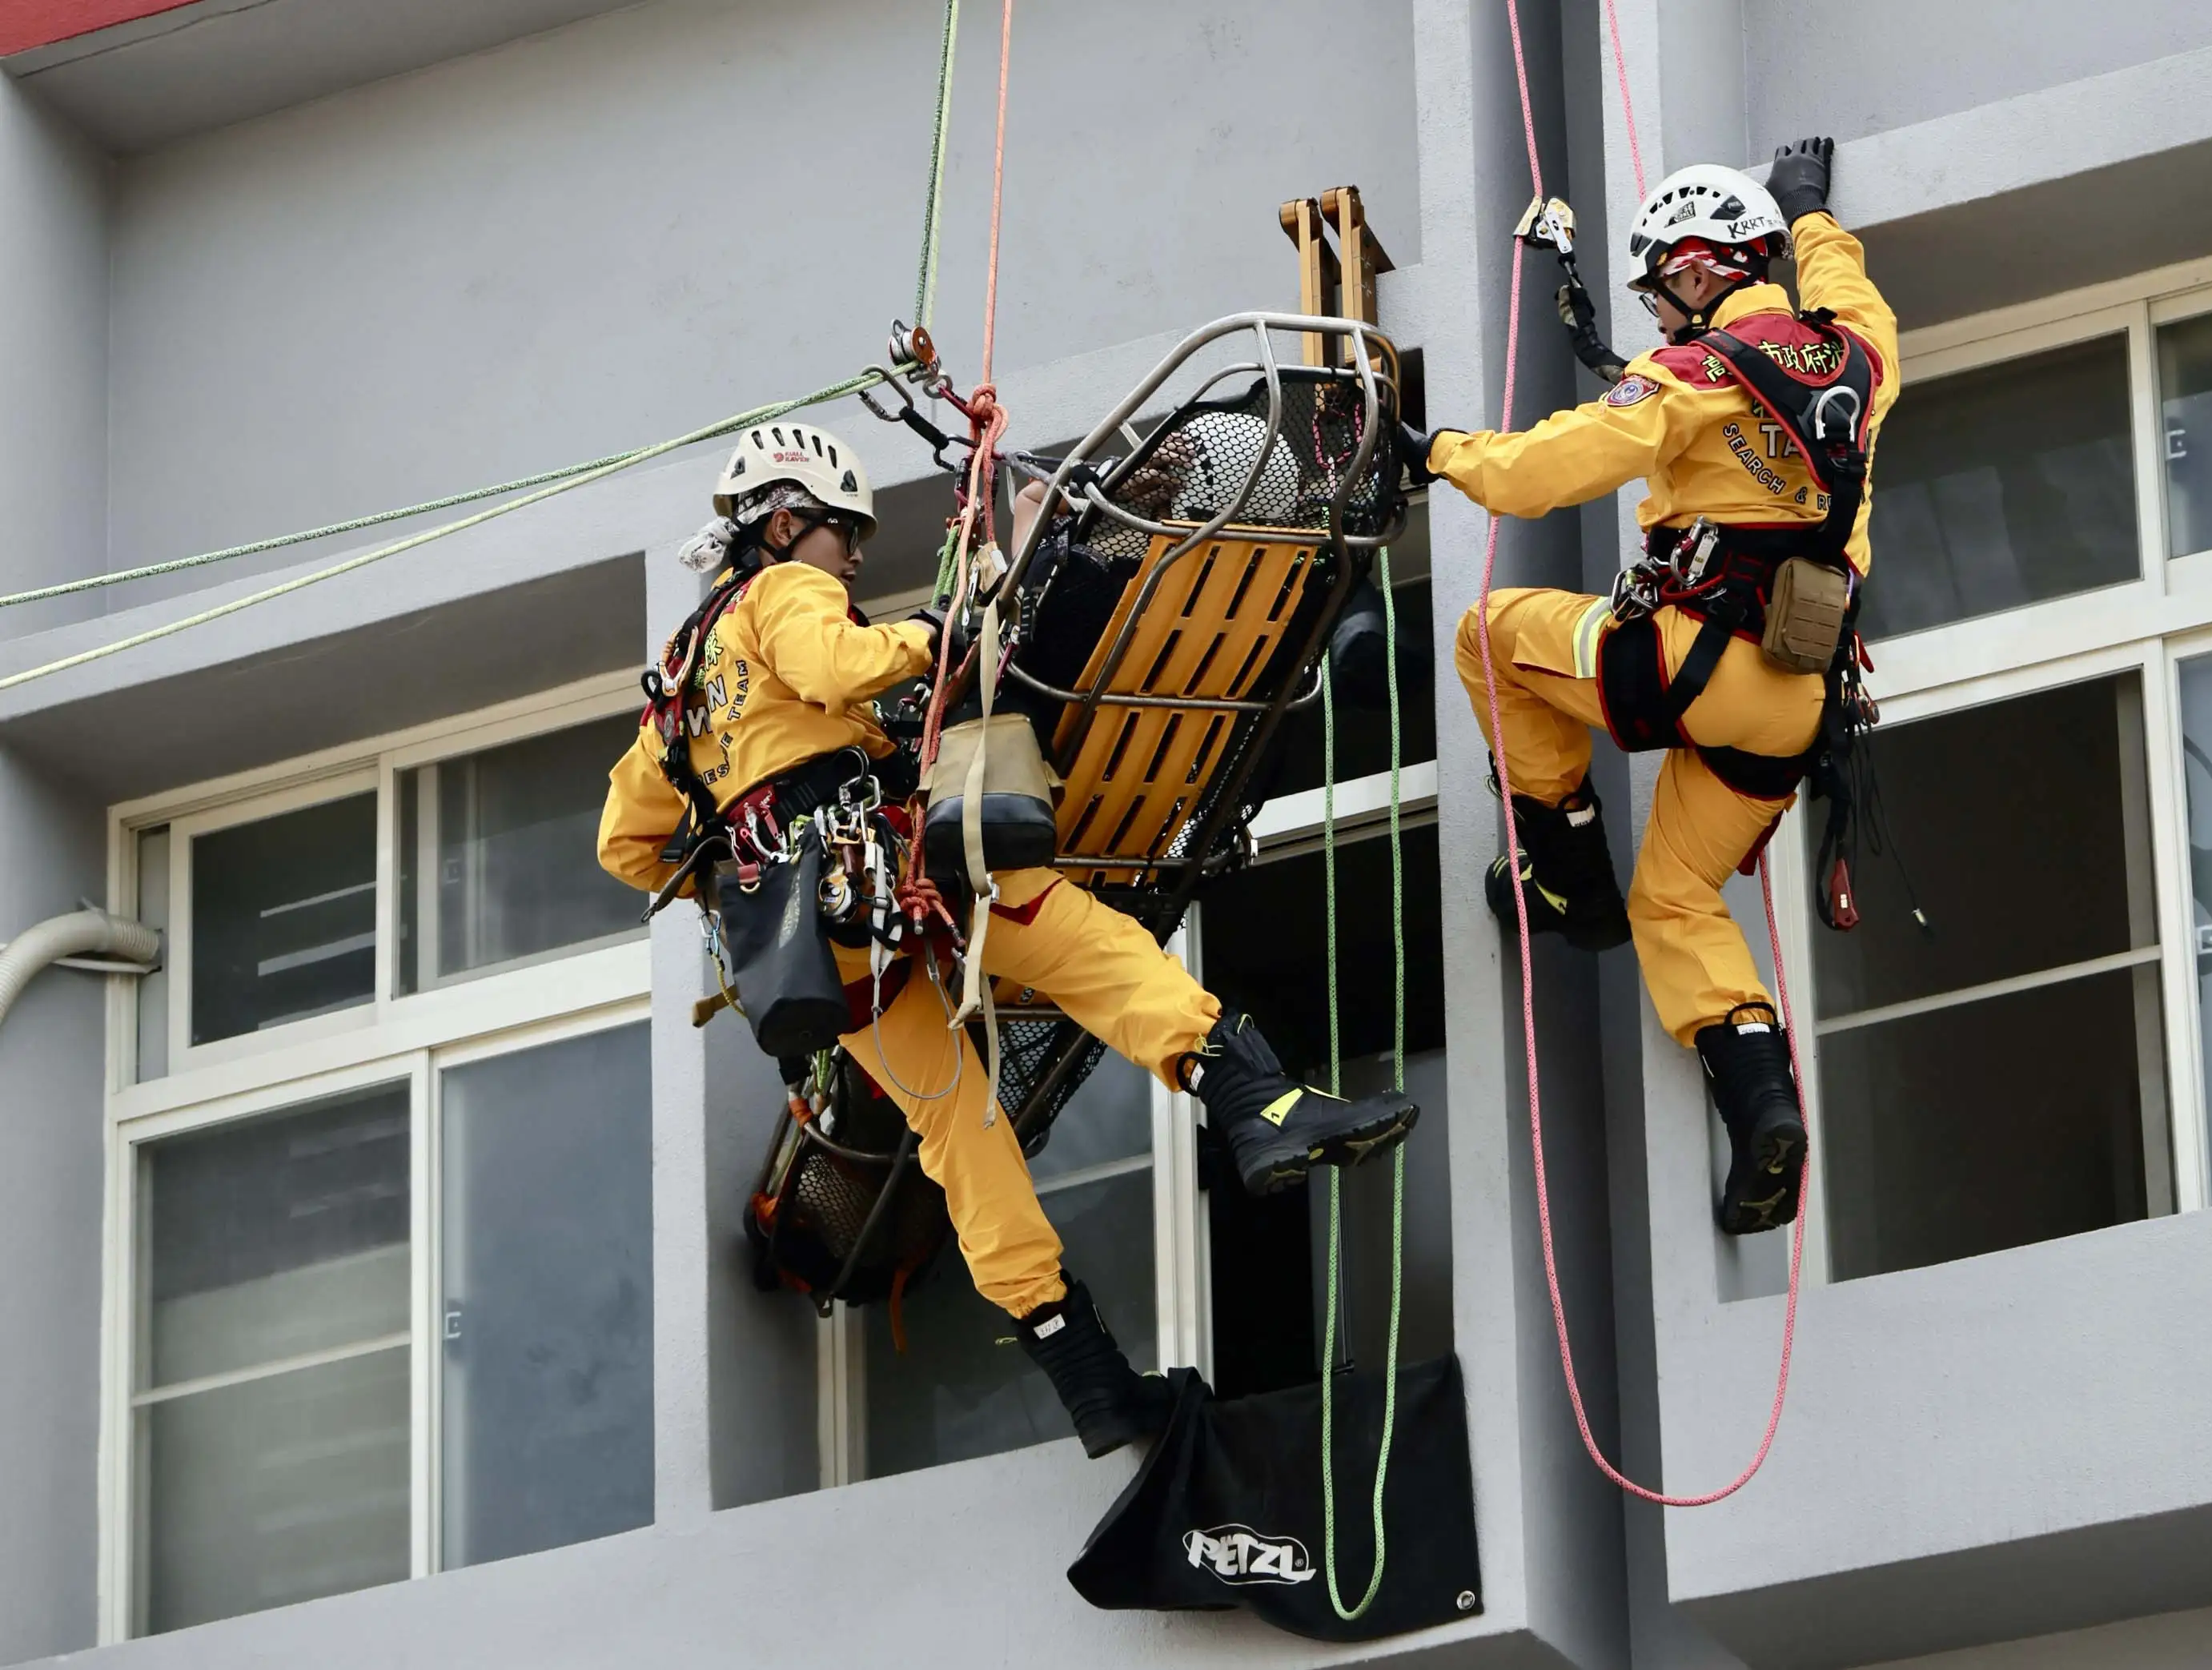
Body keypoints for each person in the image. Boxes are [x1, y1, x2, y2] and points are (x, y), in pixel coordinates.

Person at [597, 422, 1419, 1455]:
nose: (851, 555)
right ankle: (1259, 1102)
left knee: (962, 1142)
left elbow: (625, 846)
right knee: (1090, 948)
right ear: (785, 520)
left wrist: (751, 844)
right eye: (840, 533)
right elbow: (837, 660)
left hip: (821, 952)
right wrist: (939, 626)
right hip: (897, 877)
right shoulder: (777, 595)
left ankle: (1090, 1379)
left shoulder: (673, 683)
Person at [1400, 138, 1897, 1234]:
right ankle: (1763, 1107)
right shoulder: (1860, 355)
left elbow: (1550, 468)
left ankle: (1564, 871)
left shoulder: (1695, 372)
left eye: (1664, 288)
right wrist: (1810, 209)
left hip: (1694, 662)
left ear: (1700, 266)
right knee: (1675, 897)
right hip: (1799, 702)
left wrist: (1438, 453)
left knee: (1489, 637)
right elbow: (1846, 281)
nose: (1660, 313)